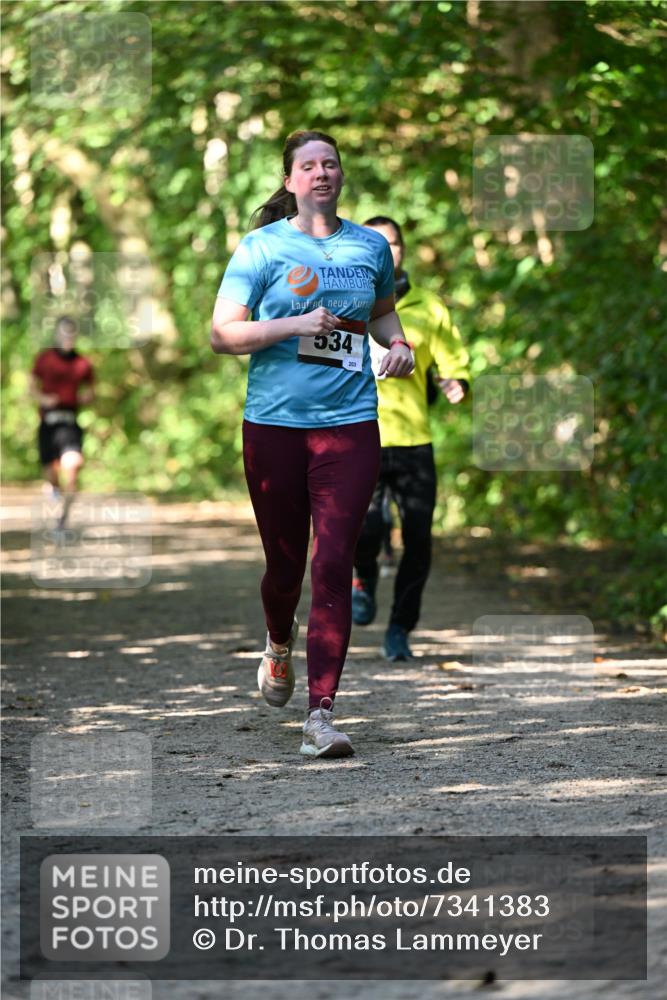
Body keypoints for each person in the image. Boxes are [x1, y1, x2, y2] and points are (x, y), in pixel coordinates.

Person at [210, 130, 414, 759]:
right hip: (273, 426)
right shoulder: (262, 247)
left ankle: (320, 714)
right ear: (292, 180)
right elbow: (222, 335)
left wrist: (400, 345)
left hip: (350, 425)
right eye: (309, 165)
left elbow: (381, 314)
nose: (321, 173)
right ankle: (277, 643)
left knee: (333, 566)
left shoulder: (369, 246)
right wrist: (294, 324)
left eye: (331, 164)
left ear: (340, 176)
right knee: (285, 568)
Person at [351, 216, 470, 661]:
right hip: (360, 434)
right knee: (367, 527)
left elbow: (455, 359)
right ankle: (361, 576)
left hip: (414, 440)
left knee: (418, 540)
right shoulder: (346, 300)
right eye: (375, 243)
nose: (386, 250)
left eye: (393, 244)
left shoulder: (430, 307)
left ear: (402, 251)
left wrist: (457, 382)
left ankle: (400, 629)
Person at [30, 316, 95, 529]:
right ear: (57, 334)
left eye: (72, 333)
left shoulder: (82, 363)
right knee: (51, 474)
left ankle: (62, 521)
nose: (68, 337)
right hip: (49, 424)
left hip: (70, 423)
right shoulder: (44, 359)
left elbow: (91, 391)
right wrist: (44, 399)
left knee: (73, 465)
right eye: (64, 332)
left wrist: (87, 397)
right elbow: (31, 389)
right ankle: (54, 488)